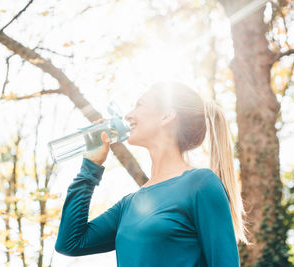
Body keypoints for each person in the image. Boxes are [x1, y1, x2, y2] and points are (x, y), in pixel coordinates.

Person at [55, 81, 250, 266]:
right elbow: (70, 243)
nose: (128, 115)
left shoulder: (201, 184)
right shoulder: (129, 204)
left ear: (166, 116)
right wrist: (91, 167)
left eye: (139, 105)